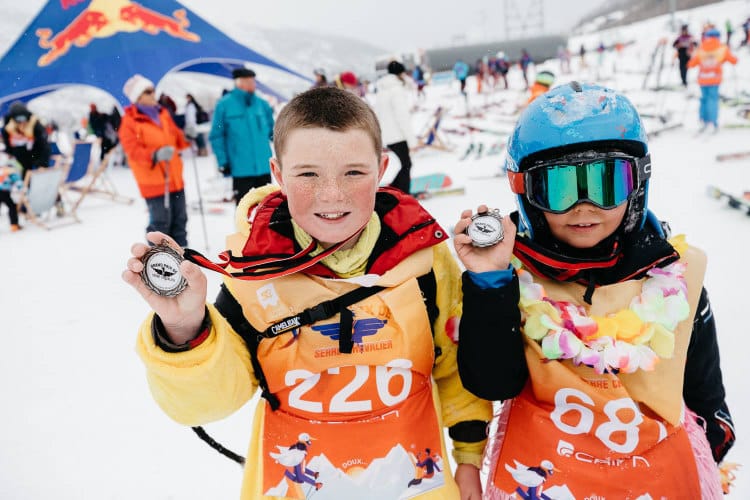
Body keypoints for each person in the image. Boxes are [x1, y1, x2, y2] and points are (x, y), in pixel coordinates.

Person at [123, 87, 492, 499]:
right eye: (308, 175)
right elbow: (207, 404)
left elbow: (455, 367)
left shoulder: (423, 261)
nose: (332, 194)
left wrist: (469, 457)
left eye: (354, 173)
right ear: (279, 175)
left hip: (415, 483)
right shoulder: (254, 273)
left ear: (382, 168)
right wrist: (183, 327)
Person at [452, 82, 735, 499]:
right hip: (548, 477)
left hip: (654, 479)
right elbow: (493, 383)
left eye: (606, 184)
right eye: (560, 189)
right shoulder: (515, 279)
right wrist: (489, 282)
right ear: (527, 192)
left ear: (637, 184)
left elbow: (703, 385)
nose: (584, 207)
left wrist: (713, 446)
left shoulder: (675, 276)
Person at [118, 74, 190, 247]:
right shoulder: (129, 121)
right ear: (138, 97)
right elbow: (132, 151)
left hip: (174, 177)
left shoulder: (163, 113)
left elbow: (177, 138)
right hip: (153, 180)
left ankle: (182, 254)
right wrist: (154, 155)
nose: (153, 94)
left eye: (153, 90)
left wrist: (187, 136)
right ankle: (159, 258)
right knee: (161, 223)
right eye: (148, 91)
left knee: (180, 219)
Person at [209, 67, 274, 205]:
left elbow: (274, 132)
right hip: (240, 169)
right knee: (244, 210)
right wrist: (223, 162)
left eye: (253, 81)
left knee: (267, 210)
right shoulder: (223, 105)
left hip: (264, 166)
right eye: (249, 81)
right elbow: (217, 134)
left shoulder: (262, 105)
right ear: (239, 82)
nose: (253, 84)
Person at [374, 60, 417, 194]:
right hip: (398, 135)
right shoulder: (396, 90)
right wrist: (412, 141)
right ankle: (401, 194)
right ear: (401, 74)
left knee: (405, 164)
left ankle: (396, 190)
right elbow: (402, 117)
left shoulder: (382, 90)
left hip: (388, 135)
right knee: (406, 165)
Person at [687, 28, 738, 133]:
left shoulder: (701, 48)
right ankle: (712, 121)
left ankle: (703, 120)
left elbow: (691, 64)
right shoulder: (722, 48)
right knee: (713, 100)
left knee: (704, 99)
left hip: (702, 79)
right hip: (714, 79)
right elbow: (734, 61)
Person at [2, 101, 51, 181]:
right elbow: (8, 146)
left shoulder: (36, 126)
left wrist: (42, 164)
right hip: (20, 158)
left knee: (40, 175)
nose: (22, 122)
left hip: (35, 154)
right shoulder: (8, 128)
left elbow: (44, 146)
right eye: (18, 119)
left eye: (23, 118)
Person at [0, 156, 23, 232]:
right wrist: (23, 189)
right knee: (12, 207)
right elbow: (18, 182)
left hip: (3, 191)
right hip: (3, 192)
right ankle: (14, 225)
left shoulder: (2, 170)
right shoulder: (11, 172)